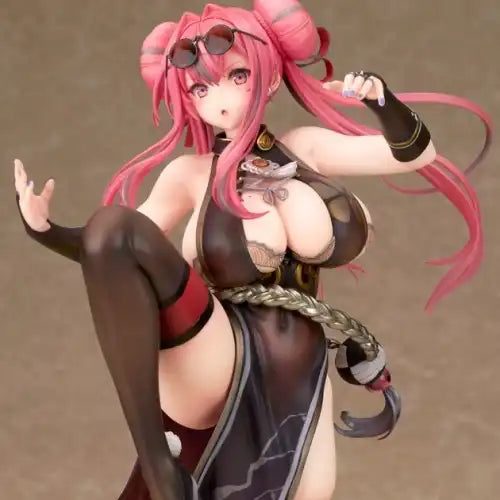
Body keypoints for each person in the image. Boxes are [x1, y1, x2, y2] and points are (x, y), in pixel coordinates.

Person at [13, 1, 491, 499]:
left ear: (270, 76)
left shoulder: (305, 149)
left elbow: (413, 153)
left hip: (298, 364)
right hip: (215, 349)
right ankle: (158, 464)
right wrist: (46, 230)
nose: (218, 98)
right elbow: (111, 248)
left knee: (309, 492)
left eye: (236, 75)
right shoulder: (189, 175)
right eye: (200, 88)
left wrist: (381, 100)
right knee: (116, 227)